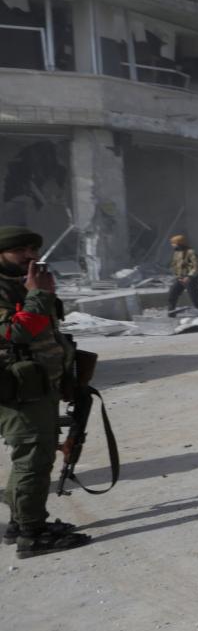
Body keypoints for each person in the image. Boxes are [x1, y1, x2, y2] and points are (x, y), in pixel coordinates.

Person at [0, 226, 88, 556]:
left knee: (36, 455)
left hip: (39, 384)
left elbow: (48, 334)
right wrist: (38, 294)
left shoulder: (25, 283)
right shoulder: (19, 287)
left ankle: (22, 523)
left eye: (33, 249)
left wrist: (65, 376)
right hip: (17, 388)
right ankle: (32, 535)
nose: (30, 256)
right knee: (33, 459)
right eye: (20, 250)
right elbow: (16, 332)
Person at [167, 234, 198, 315]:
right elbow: (175, 265)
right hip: (180, 278)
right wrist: (177, 276)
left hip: (190, 278)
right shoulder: (176, 253)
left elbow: (196, 266)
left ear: (179, 243)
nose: (172, 245)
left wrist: (189, 277)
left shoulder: (191, 252)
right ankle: (171, 312)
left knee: (194, 296)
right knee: (172, 294)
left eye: (174, 243)